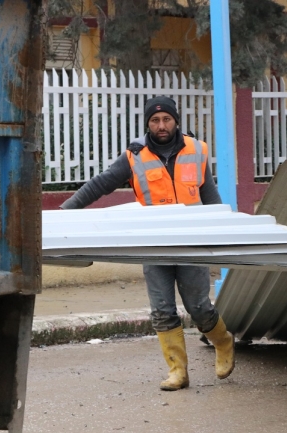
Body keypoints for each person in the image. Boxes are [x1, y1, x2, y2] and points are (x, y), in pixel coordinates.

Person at [60, 95, 235, 391]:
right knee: (162, 310)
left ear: (176, 120)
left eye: (166, 119)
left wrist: (223, 233)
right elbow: (99, 184)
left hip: (191, 243)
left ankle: (224, 342)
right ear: (147, 124)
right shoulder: (134, 156)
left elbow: (210, 196)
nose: (161, 125)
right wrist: (66, 210)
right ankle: (178, 372)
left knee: (199, 306)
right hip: (154, 244)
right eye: (155, 120)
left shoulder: (197, 150)